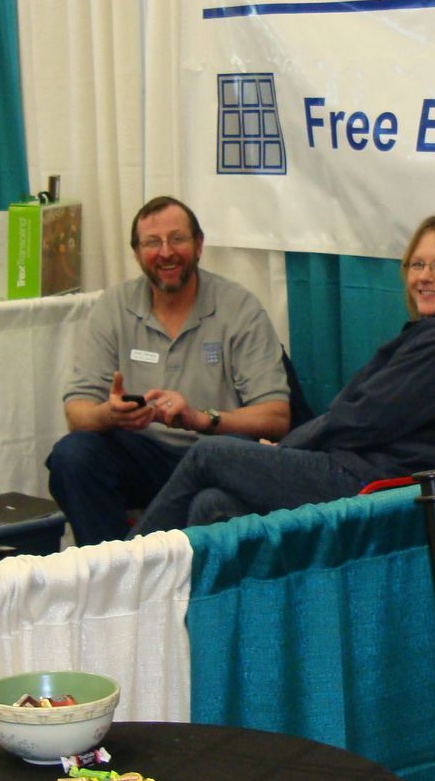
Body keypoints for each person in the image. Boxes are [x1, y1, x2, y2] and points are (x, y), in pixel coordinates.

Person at [132, 213, 435, 535]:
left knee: (208, 455)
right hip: (373, 472)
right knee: (213, 505)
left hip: (380, 485)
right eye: (417, 264)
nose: (424, 276)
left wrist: (287, 449)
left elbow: (363, 419)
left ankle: (117, 570)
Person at [46, 196, 291, 546]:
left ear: (199, 245)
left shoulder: (239, 308)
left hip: (214, 453)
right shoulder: (114, 306)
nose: (166, 253)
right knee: (73, 455)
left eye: (177, 239)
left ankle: (131, 565)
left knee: (226, 458)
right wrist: (109, 414)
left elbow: (276, 416)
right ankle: (108, 565)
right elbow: (77, 412)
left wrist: (200, 418)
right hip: (143, 456)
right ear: (136, 253)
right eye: (152, 243)